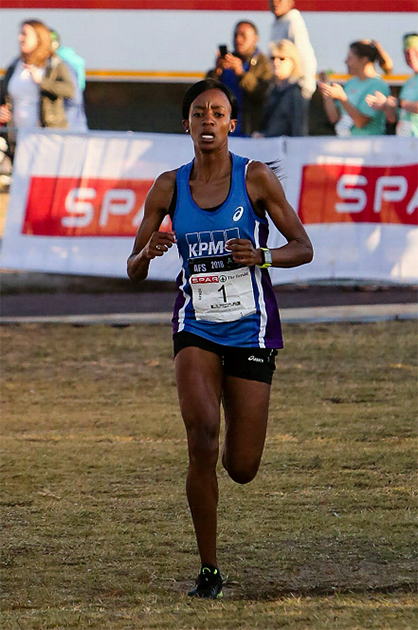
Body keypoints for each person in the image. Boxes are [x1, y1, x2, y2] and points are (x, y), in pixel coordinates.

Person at [127, 78, 313, 599]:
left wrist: (264, 256)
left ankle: (237, 438)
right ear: (185, 124)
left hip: (251, 328)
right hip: (196, 325)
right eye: (199, 112)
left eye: (218, 112)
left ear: (232, 123)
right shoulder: (167, 186)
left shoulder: (254, 179)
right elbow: (132, 267)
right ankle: (209, 569)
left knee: (243, 467)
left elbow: (303, 246)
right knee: (201, 434)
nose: (208, 119)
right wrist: (150, 252)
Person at [0, 19, 75, 158]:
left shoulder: (54, 64)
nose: (20, 38)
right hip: (17, 137)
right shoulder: (16, 64)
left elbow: (70, 90)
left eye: (25, 34)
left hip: (47, 137)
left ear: (39, 38)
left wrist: (42, 82)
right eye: (20, 34)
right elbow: (4, 93)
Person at [206, 21, 273, 136]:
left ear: (255, 39)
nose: (238, 40)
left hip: (248, 131)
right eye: (236, 35)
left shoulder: (263, 63)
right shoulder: (228, 61)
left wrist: (241, 73)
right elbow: (205, 95)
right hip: (223, 131)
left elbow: (263, 94)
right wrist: (216, 72)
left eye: (243, 36)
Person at [318, 40, 392, 137]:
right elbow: (334, 118)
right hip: (346, 144)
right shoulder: (351, 83)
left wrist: (342, 97)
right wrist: (326, 89)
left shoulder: (378, 86)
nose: (345, 61)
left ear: (364, 60)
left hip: (367, 144)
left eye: (350, 58)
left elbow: (360, 122)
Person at [366, 33, 418, 137]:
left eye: (415, 52)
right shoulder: (409, 82)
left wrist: (398, 103)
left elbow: (403, 104)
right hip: (405, 142)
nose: (411, 57)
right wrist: (386, 105)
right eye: (407, 53)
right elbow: (393, 118)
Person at [257, 39, 308, 137]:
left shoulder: (295, 93)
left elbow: (298, 130)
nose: (276, 62)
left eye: (282, 58)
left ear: (293, 63)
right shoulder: (272, 91)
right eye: (272, 58)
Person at [269, 0, 317, 100]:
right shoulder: (279, 22)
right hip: (283, 87)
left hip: (296, 88)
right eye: (272, 0)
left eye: (280, 0)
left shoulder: (293, 22)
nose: (275, 3)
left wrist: (305, 86)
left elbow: (304, 54)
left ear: (290, 2)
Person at [49, 28, 88, 132]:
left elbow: (72, 94)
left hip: (67, 123)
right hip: (77, 122)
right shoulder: (70, 58)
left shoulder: (61, 63)